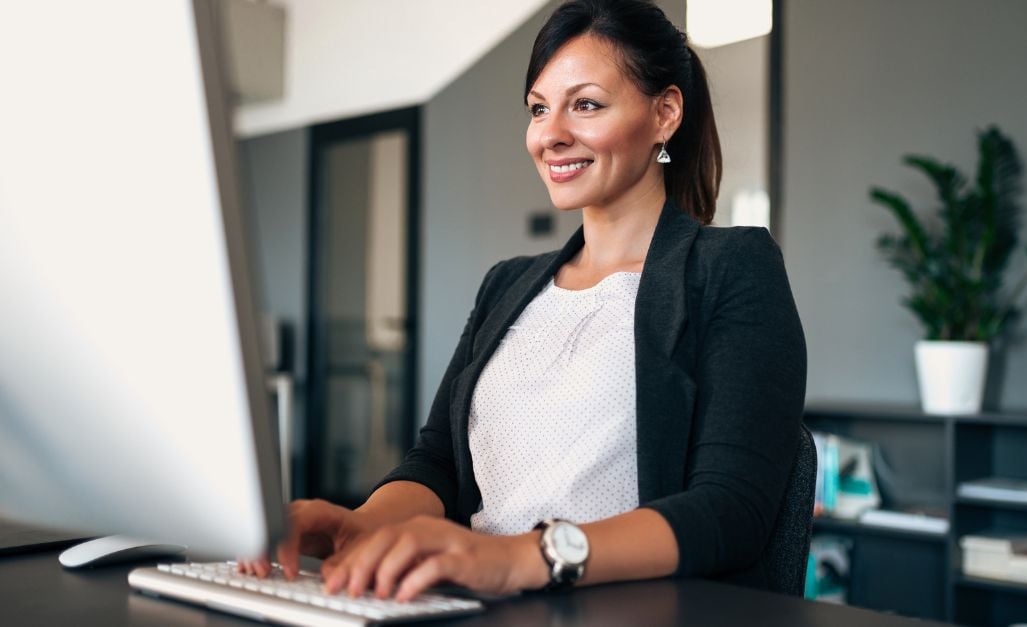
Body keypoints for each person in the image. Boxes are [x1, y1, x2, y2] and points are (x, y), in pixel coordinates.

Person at [243, 0, 806, 601]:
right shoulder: (508, 284)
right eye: (539, 109)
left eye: (585, 104)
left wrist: (521, 557)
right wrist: (363, 522)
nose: (551, 135)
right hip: (474, 602)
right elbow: (437, 462)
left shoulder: (732, 268)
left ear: (665, 112)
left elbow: (730, 511)